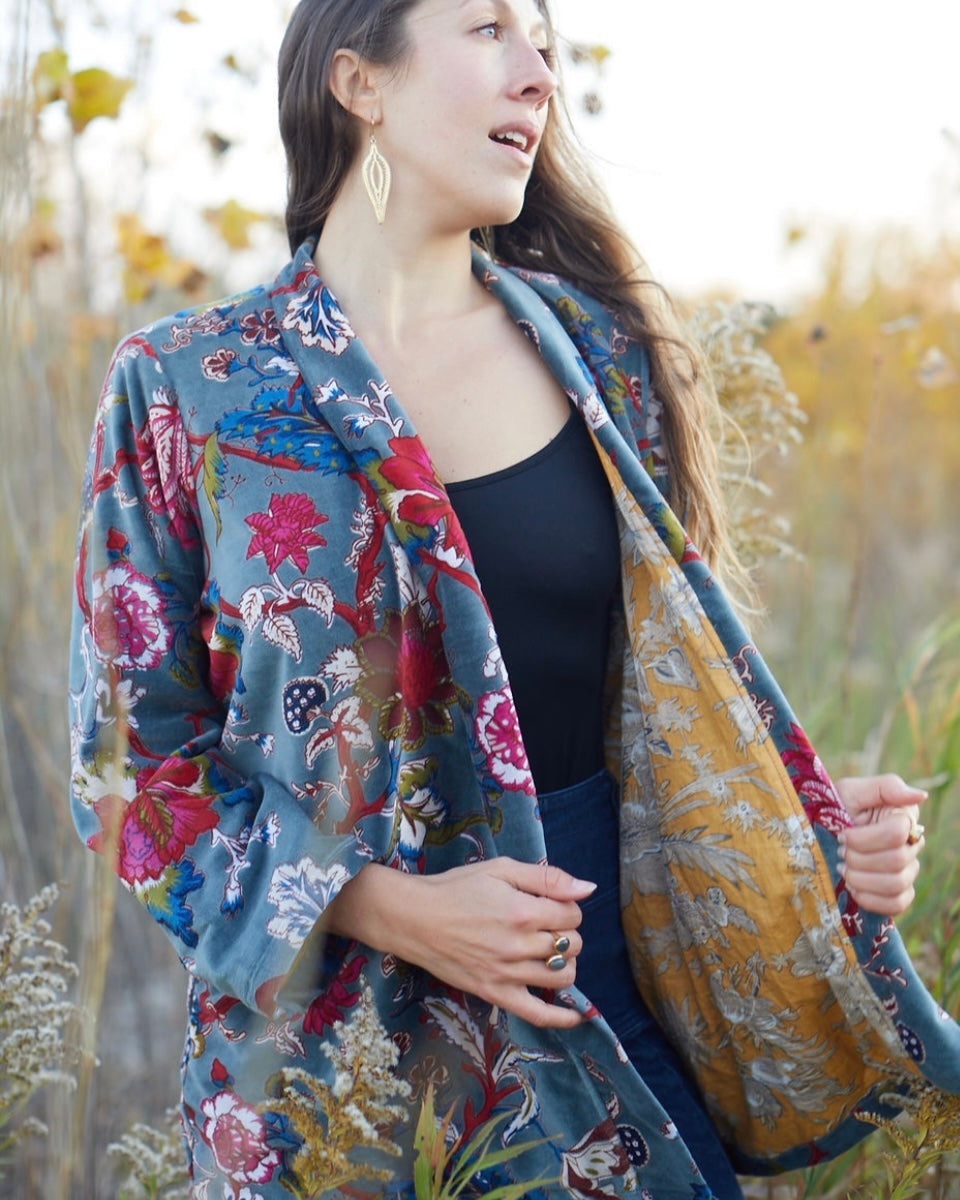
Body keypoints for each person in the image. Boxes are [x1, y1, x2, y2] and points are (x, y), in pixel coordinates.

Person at [69, 1, 959, 1197]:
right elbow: (127, 774)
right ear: (358, 82)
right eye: (490, 28)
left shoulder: (604, 351)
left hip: (605, 1005)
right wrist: (390, 908)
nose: (540, 74)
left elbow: (655, 707)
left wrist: (801, 832)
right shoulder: (191, 387)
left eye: (546, 41)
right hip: (336, 1074)